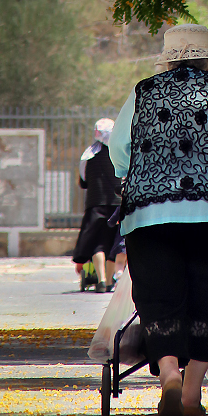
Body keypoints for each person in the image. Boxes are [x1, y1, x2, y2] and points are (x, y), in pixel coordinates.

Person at [109, 23, 208, 416]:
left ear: (167, 59)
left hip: (150, 211)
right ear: (207, 58)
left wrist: (133, 171)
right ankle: (191, 394)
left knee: (159, 294)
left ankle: (169, 375)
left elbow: (119, 148)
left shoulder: (144, 91)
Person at [71, 118, 120, 292]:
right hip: (117, 204)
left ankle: (101, 280)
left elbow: (83, 180)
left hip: (95, 205)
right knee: (115, 243)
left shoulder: (88, 154)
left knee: (98, 243)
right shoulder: (120, 153)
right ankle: (109, 282)